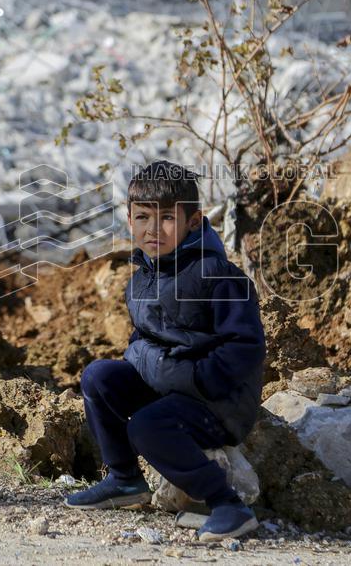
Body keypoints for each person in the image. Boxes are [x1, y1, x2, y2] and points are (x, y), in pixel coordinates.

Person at [65, 160, 266, 542]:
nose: (153, 229)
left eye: (168, 218)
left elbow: (246, 346)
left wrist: (196, 378)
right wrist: (148, 362)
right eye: (143, 217)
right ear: (129, 220)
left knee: (146, 425)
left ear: (193, 221)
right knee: (98, 377)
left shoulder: (218, 276)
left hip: (215, 403)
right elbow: (142, 338)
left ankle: (228, 505)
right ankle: (125, 479)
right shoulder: (142, 279)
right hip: (169, 387)